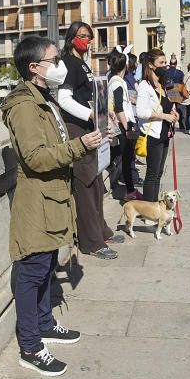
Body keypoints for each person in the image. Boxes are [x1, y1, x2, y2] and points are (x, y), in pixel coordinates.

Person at [1, 36, 101, 376]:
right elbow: (34, 157)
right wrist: (79, 146)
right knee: (31, 272)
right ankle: (30, 346)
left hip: (53, 199)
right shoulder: (24, 106)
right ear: (35, 68)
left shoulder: (44, 99)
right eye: (54, 60)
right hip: (37, 203)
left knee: (44, 267)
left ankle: (44, 323)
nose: (60, 65)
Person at [57, 22, 120, 260]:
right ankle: (91, 242)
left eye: (89, 37)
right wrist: (91, 114)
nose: (87, 40)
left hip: (91, 129)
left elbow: (91, 96)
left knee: (95, 183)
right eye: (82, 36)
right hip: (78, 130)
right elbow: (64, 98)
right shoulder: (68, 63)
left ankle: (100, 231)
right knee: (85, 184)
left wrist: (105, 113)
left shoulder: (83, 64)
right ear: (72, 38)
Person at [136, 49, 178, 202]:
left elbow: (167, 105)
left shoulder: (161, 84)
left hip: (165, 133)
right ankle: (148, 210)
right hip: (153, 134)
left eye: (165, 62)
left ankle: (154, 207)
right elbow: (140, 111)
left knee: (159, 173)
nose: (165, 66)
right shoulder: (144, 86)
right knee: (152, 174)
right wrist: (164, 116)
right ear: (151, 65)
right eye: (161, 63)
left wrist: (173, 112)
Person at [106, 50, 142, 201]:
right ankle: (130, 191)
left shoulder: (114, 80)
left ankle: (130, 190)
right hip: (122, 124)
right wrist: (127, 128)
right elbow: (119, 107)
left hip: (120, 123)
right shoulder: (117, 83)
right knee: (126, 158)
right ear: (125, 66)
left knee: (126, 158)